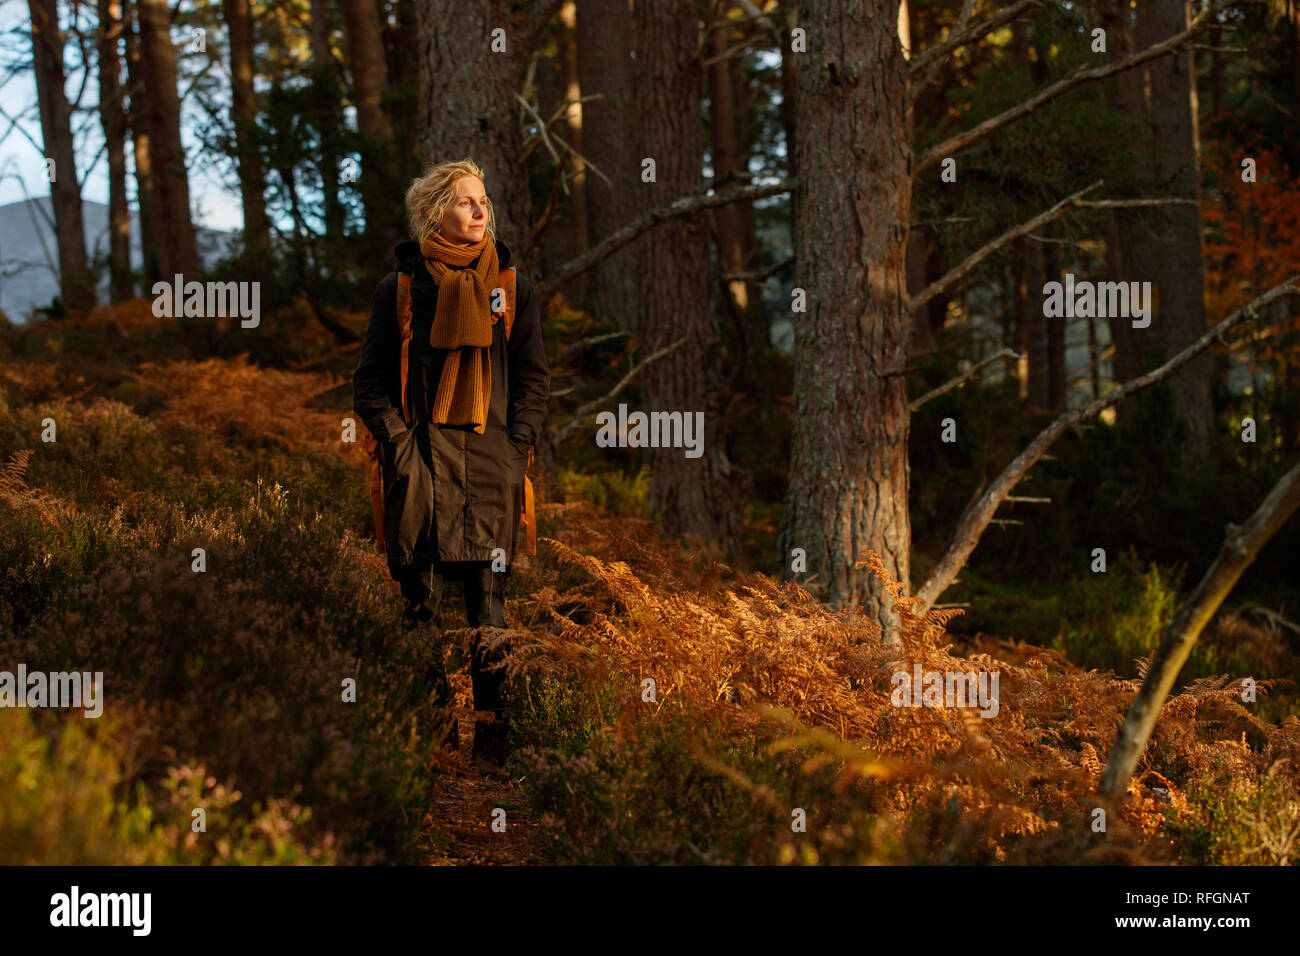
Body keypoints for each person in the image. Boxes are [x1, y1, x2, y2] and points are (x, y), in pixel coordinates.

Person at [352, 158, 549, 777]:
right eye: (466, 201)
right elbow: (372, 383)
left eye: (484, 199)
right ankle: (435, 748)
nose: (480, 209)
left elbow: (534, 381)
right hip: (422, 473)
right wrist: (399, 446)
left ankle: (494, 755)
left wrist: (516, 446)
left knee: (490, 615)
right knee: (419, 613)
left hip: (492, 468)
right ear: (436, 211)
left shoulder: (510, 289)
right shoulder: (403, 289)